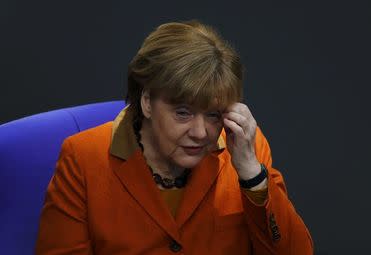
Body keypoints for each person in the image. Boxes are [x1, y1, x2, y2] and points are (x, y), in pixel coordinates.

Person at [35, 20, 313, 254]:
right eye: (183, 113)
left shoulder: (244, 148)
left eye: (214, 115)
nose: (201, 132)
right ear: (146, 102)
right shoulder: (83, 157)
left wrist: (252, 175)